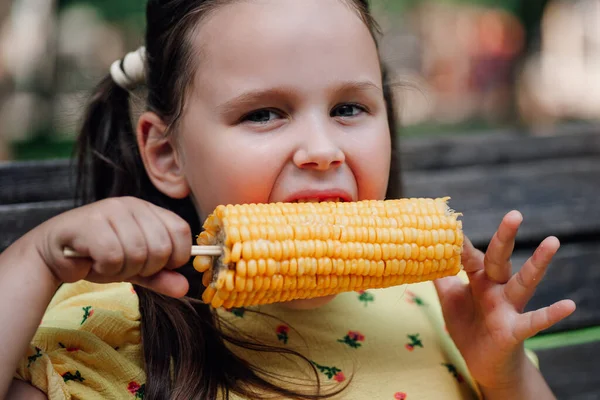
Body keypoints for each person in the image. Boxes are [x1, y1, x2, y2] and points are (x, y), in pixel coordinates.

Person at [1, 1, 576, 399]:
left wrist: (502, 374)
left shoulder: (438, 304)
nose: (322, 150)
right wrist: (37, 261)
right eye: (264, 114)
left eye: (349, 108)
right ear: (167, 154)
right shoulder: (108, 326)